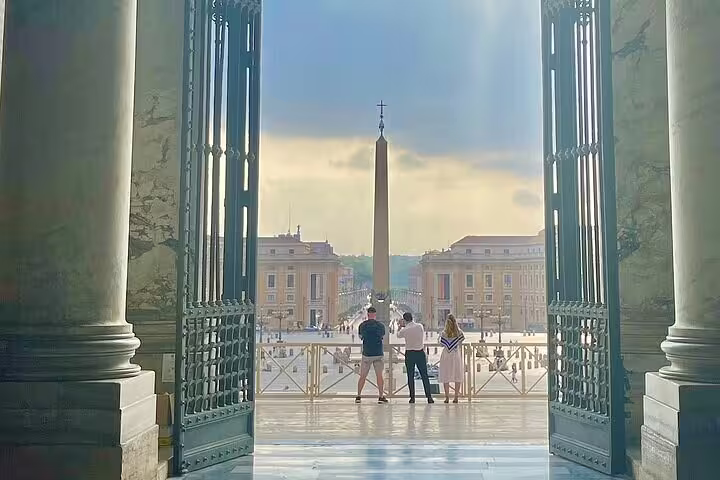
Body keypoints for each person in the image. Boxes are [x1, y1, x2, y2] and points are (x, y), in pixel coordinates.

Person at [398, 312, 434, 404]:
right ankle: (429, 397)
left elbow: (398, 335)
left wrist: (400, 326)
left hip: (409, 354)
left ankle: (412, 398)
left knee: (410, 376)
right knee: (424, 375)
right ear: (412, 318)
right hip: (420, 353)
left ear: (405, 320)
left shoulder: (405, 330)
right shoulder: (419, 326)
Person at [356, 306, 388, 404]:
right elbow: (382, 336)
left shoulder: (362, 325)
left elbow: (360, 337)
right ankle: (381, 396)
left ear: (368, 314)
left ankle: (358, 396)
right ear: (375, 314)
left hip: (367, 353)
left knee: (362, 376)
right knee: (379, 376)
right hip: (378, 353)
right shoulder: (380, 325)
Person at [439, 314, 465, 404]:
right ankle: (456, 397)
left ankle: (447, 398)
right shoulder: (459, 332)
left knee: (446, 375)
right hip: (455, 354)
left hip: (446, 355)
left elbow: (442, 344)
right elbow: (461, 341)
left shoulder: (444, 333)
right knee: (457, 375)